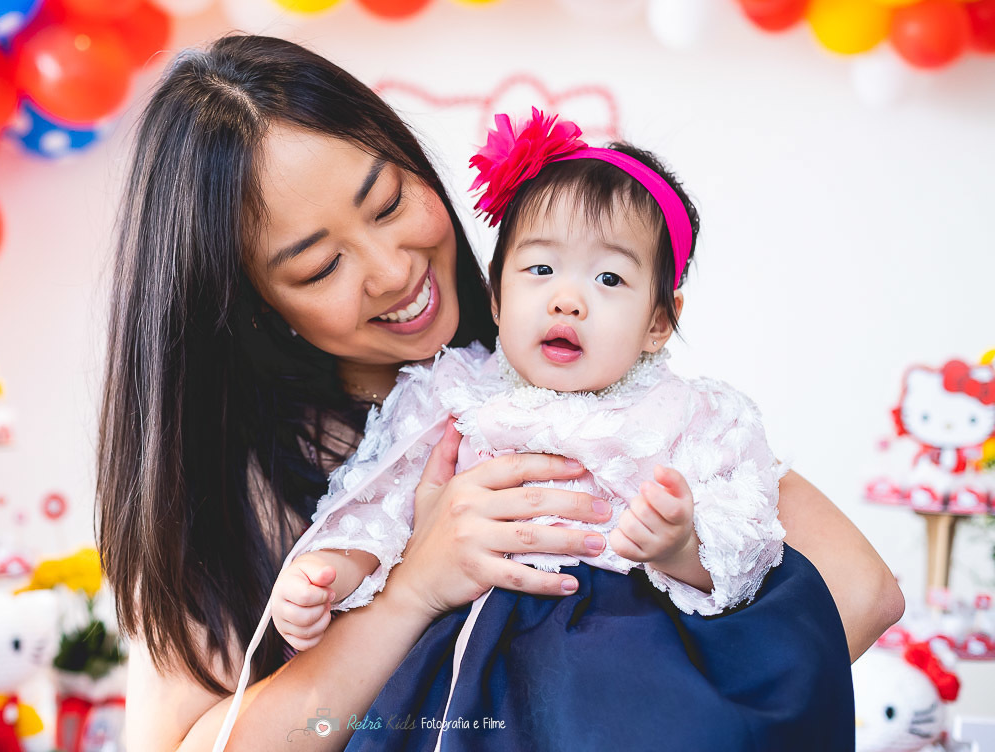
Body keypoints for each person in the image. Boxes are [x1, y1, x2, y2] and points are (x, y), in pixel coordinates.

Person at [95, 35, 903, 752]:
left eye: (388, 201)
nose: (391, 267)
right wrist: (413, 587)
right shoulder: (232, 487)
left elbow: (862, 594)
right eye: (318, 266)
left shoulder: (588, 392)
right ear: (249, 302)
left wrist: (599, 676)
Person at [261, 110, 849, 750]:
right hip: (472, 647)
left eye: (609, 279)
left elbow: (751, 533)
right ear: (496, 295)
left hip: (624, 641)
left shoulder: (688, 413)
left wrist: (680, 544)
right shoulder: (451, 391)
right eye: (540, 270)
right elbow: (380, 495)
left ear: (660, 321)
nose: (568, 299)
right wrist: (333, 571)